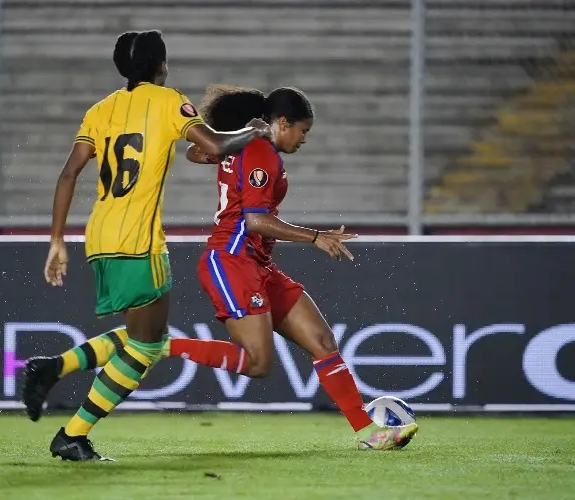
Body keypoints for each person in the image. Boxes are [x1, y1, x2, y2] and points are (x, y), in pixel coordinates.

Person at [22, 31, 271, 462]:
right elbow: (213, 144)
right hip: (139, 241)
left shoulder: (100, 110)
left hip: (98, 237)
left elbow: (68, 174)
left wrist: (57, 241)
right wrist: (252, 131)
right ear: (161, 65)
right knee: (146, 347)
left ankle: (54, 368)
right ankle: (73, 434)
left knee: (143, 335)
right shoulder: (168, 100)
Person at [161, 84, 419, 451]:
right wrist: (315, 237)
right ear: (282, 123)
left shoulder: (246, 147)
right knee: (258, 363)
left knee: (322, 342)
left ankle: (368, 432)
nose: (303, 139)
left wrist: (232, 143)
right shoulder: (262, 154)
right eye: (303, 130)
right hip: (232, 261)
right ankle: (159, 346)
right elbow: (255, 222)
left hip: (259, 265)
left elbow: (194, 151)